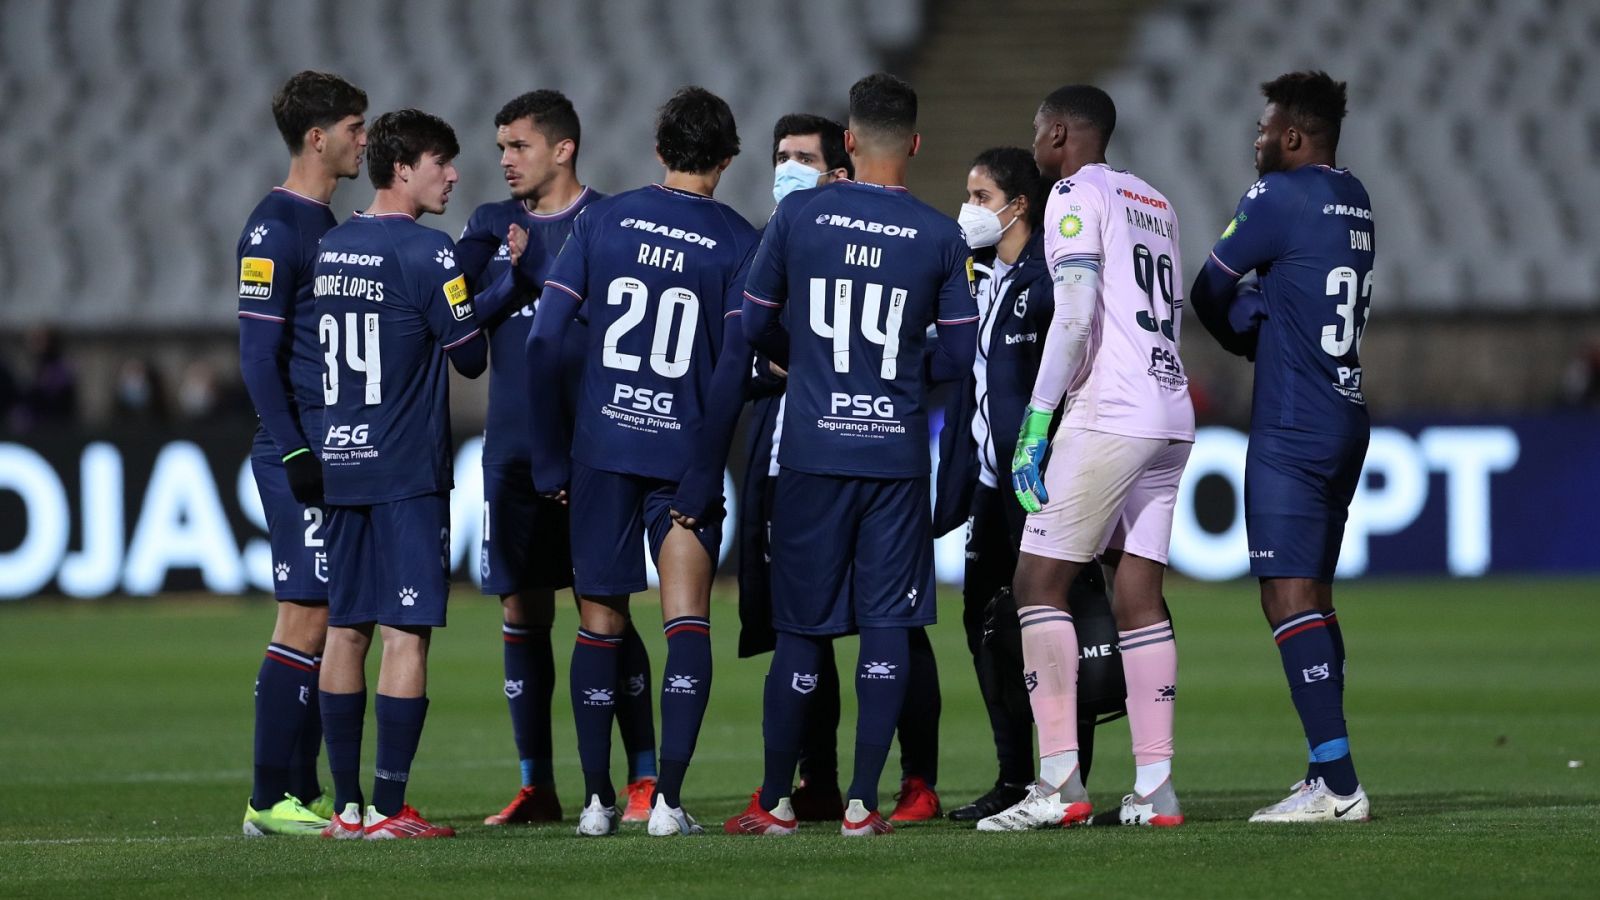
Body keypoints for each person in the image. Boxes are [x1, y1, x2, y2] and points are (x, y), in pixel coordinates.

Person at [725, 72, 978, 838]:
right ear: (917, 143)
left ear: (848, 139)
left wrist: (806, 364)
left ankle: (775, 801)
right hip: (894, 460)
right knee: (887, 627)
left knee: (801, 631)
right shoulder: (939, 235)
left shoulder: (801, 214)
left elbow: (750, 321)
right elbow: (960, 353)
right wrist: (899, 371)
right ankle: (865, 804)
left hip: (810, 451)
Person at [527, 85, 758, 837]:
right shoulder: (734, 239)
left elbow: (543, 341)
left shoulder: (604, 219)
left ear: (660, 151)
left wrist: (552, 455)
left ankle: (596, 802)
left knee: (598, 625)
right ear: (726, 157)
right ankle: (668, 804)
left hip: (601, 449)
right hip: (683, 453)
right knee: (685, 619)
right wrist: (704, 464)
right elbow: (732, 368)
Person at [978, 84, 1194, 831]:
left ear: (1061, 132)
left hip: (1111, 411)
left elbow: (1073, 315)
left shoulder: (1073, 193)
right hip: (1172, 412)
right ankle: (1155, 787)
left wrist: (1039, 421)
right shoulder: (1156, 200)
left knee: (1038, 581)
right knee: (1138, 596)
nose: (1035, 143)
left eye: (1039, 130)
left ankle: (1060, 784)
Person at [455, 90, 660, 827]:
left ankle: (641, 778)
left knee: (605, 605)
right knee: (521, 607)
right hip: (510, 451)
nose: (505, 160)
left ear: (563, 148)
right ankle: (536, 784)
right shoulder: (485, 229)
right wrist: (507, 279)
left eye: (519, 146)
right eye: (501, 148)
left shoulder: (608, 222)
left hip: (593, 448)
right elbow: (458, 334)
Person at [1187, 71, 1374, 824]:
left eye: (1264, 129)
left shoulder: (1277, 197)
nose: (1256, 140)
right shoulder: (1355, 196)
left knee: (1285, 597)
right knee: (1317, 602)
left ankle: (1338, 784)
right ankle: (1321, 772)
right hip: (1347, 412)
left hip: (1292, 422)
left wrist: (1246, 330)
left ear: (1293, 137)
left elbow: (1205, 292)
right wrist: (1270, 312)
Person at [312, 108, 487, 840]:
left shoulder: (331, 246)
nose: (451, 175)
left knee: (344, 631)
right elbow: (471, 354)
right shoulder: (428, 251)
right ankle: (390, 806)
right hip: (404, 469)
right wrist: (501, 277)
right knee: (405, 634)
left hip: (338, 462)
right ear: (403, 167)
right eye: (440, 162)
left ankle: (347, 808)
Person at [235, 70, 367, 837]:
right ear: (318, 137)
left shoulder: (328, 224)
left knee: (330, 617)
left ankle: (300, 786)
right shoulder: (274, 227)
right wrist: (291, 453)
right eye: (355, 127)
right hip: (300, 451)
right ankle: (263, 799)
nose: (364, 140)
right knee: (304, 617)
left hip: (336, 446)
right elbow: (257, 355)